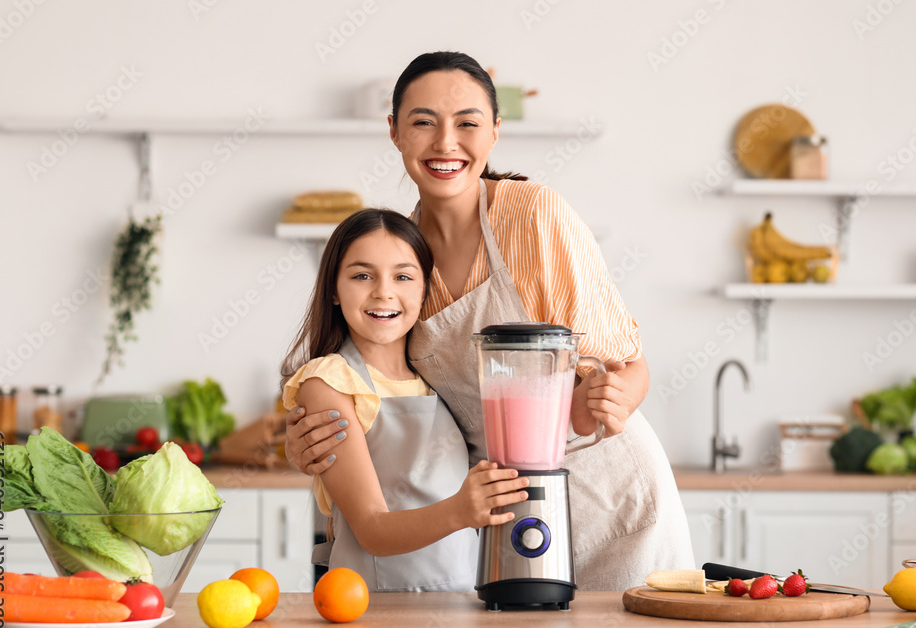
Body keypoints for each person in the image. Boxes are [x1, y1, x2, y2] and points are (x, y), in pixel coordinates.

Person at [286, 52, 694, 591]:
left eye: (468, 123)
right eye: (423, 122)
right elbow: (376, 391)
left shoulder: (534, 215)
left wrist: (617, 396)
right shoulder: (402, 262)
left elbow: (628, 364)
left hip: (611, 493)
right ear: (394, 132)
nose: (445, 143)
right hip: (496, 513)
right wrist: (308, 448)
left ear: (496, 132)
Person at [280, 208, 529, 592]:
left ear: (424, 288)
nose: (383, 291)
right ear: (333, 288)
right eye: (362, 276)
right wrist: (463, 510)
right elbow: (372, 530)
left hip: (460, 604)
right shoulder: (329, 382)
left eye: (402, 276)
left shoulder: (439, 379)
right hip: (375, 611)